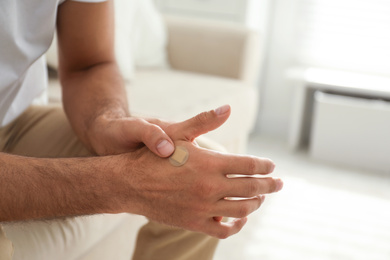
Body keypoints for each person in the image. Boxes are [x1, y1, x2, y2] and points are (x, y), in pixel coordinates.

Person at [0, 0, 283, 259]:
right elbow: (128, 184)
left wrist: (105, 121)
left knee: (196, 174)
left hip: (13, 117)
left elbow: (89, 63)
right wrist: (125, 184)